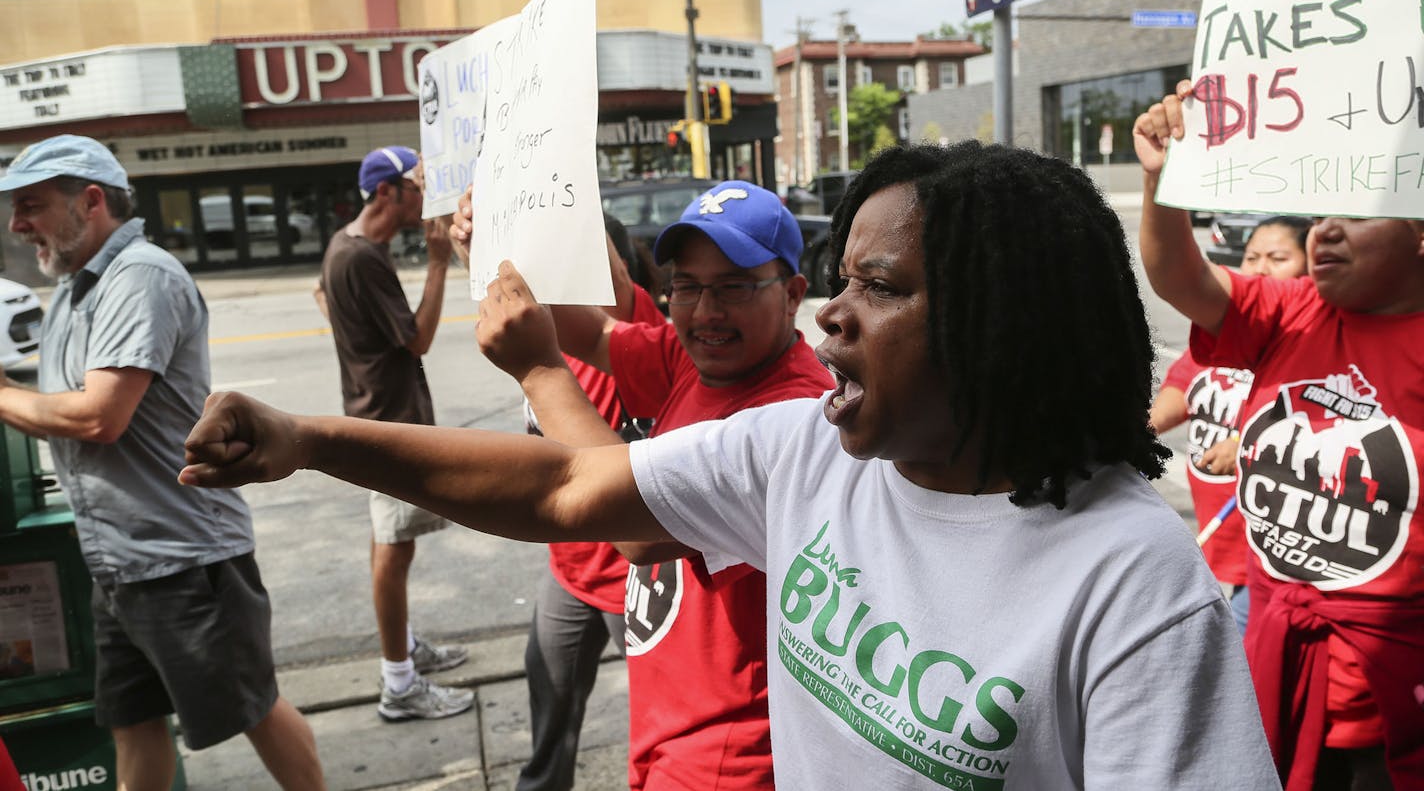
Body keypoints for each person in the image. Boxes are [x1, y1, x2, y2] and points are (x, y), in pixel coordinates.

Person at [181, 142, 1280, 789]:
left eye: (880, 288)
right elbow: (564, 488)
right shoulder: (803, 455)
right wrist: (308, 439)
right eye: (837, 280)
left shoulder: (1134, 584)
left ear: (1000, 326)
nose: (832, 317)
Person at [474, 180, 832, 790]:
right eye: (687, 287)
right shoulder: (688, 358)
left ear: (794, 293)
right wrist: (500, 247)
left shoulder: (794, 411)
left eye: (733, 287)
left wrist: (538, 370)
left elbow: (633, 527)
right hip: (672, 717)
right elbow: (591, 334)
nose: (705, 311)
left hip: (731, 749)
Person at [0, 135, 324, 790]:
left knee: (253, 706)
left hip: (185, 557)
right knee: (135, 721)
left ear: (90, 201)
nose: (16, 224)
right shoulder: (72, 289)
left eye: (30, 205)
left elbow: (99, 414)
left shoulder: (140, 276)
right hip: (118, 557)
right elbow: (63, 393)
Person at [1135, 81, 1424, 791]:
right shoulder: (1290, 310)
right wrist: (1164, 176)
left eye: (1355, 213)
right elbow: (1179, 275)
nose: (1324, 230)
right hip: (1274, 667)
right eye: (1322, 211)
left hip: (1396, 708)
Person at [317, 145, 473, 722]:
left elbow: (326, 301)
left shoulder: (349, 247)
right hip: (385, 421)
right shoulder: (361, 257)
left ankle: (404, 647)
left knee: (390, 545)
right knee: (394, 548)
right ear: (386, 192)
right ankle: (398, 682)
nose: (424, 199)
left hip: (375, 410)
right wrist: (438, 263)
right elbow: (418, 339)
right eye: (416, 188)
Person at [513, 215, 665, 791]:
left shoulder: (629, 328)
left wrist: (566, 187)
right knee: (550, 727)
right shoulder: (545, 335)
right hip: (569, 576)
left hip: (636, 583)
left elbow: (612, 279)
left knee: (660, 738)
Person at [1149, 215, 1310, 632]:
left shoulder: (1309, 338)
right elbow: (1183, 386)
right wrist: (1131, 433)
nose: (1259, 268)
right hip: (1218, 544)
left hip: (1268, 553)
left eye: (1278, 258)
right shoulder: (1230, 334)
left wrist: (1247, 444)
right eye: (1251, 257)